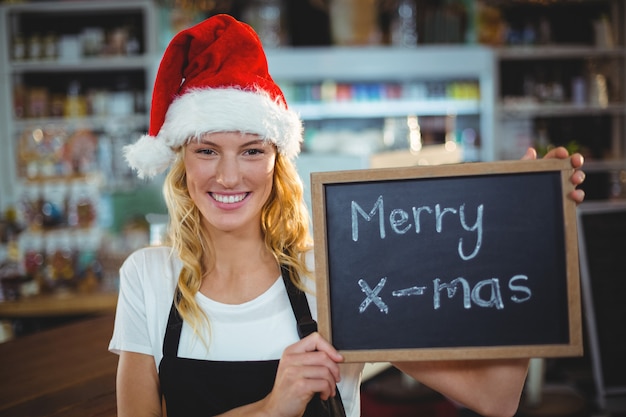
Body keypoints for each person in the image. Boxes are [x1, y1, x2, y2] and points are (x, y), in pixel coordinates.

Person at [109, 14, 586, 417]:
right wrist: (272, 406)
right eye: (208, 150)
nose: (229, 176)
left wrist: (526, 229)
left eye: (252, 151)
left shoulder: (340, 277)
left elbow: (495, 398)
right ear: (182, 161)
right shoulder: (147, 280)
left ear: (278, 161)